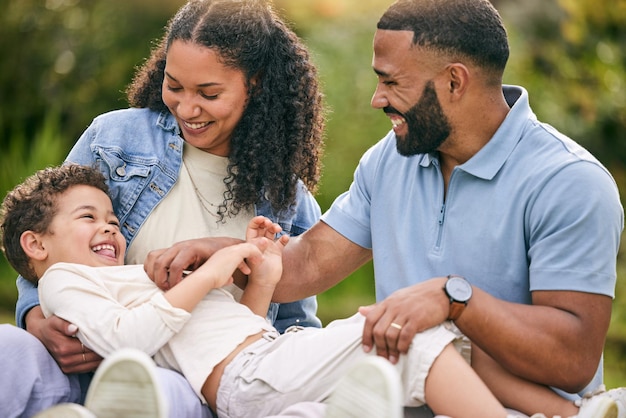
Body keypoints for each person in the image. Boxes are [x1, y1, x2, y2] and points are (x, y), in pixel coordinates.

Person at [145, 1, 626, 417]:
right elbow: (307, 263)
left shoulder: (569, 182)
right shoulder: (390, 159)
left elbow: (573, 358)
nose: (377, 99)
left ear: (454, 82)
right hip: (401, 399)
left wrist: (454, 300)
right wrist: (221, 253)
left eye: (392, 82)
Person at [2, 164, 620, 418]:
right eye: (89, 218)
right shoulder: (65, 282)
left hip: (263, 357)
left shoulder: (133, 278)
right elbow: (129, 340)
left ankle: (567, 414)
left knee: (441, 334)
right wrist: (212, 274)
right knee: (406, 328)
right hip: (247, 381)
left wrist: (261, 276)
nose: (109, 227)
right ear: (36, 245)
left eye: (112, 218)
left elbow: (234, 330)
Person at [1, 1, 325, 417]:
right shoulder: (115, 138)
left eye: (209, 94)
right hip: (80, 365)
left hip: (185, 384)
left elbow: (287, 328)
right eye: (174, 86)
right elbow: (45, 238)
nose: (187, 109)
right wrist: (34, 318)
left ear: (255, 84)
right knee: (7, 348)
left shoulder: (286, 202)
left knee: (160, 388)